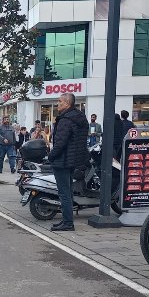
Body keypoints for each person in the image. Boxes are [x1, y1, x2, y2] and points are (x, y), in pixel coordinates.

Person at [48, 93, 89, 232]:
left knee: (64, 193)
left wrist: (51, 156)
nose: (57, 103)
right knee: (68, 192)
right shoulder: (78, 117)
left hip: (62, 161)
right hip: (72, 160)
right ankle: (67, 220)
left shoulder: (65, 120)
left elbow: (60, 143)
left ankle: (68, 223)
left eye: (59, 101)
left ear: (67, 103)